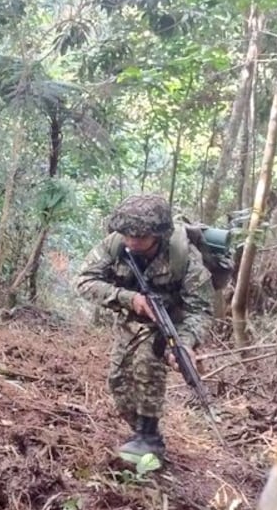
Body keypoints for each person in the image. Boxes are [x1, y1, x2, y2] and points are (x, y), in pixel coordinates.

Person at [75, 193, 213, 459]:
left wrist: (185, 342)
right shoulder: (114, 245)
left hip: (168, 323)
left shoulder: (184, 257)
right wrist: (130, 299)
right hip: (129, 320)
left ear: (159, 234)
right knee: (118, 382)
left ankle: (149, 439)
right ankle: (141, 431)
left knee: (147, 368)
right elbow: (84, 281)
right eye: (127, 234)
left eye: (140, 236)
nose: (132, 241)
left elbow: (201, 308)